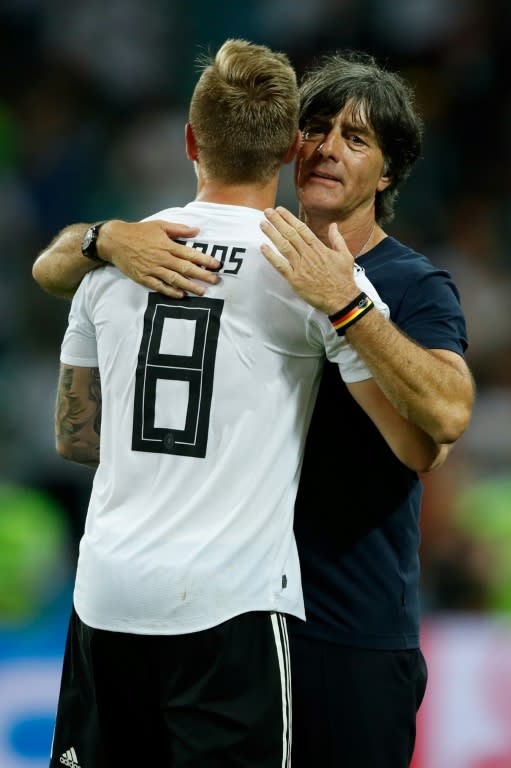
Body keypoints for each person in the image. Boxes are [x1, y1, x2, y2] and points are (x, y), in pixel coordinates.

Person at [33, 51, 475, 768]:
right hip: (240, 612)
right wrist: (101, 237)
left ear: (389, 173)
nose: (329, 146)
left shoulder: (406, 286)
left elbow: (438, 430)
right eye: (318, 128)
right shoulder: (200, 257)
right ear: (286, 146)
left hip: (342, 626)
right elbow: (57, 266)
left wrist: (348, 304)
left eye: (356, 138)